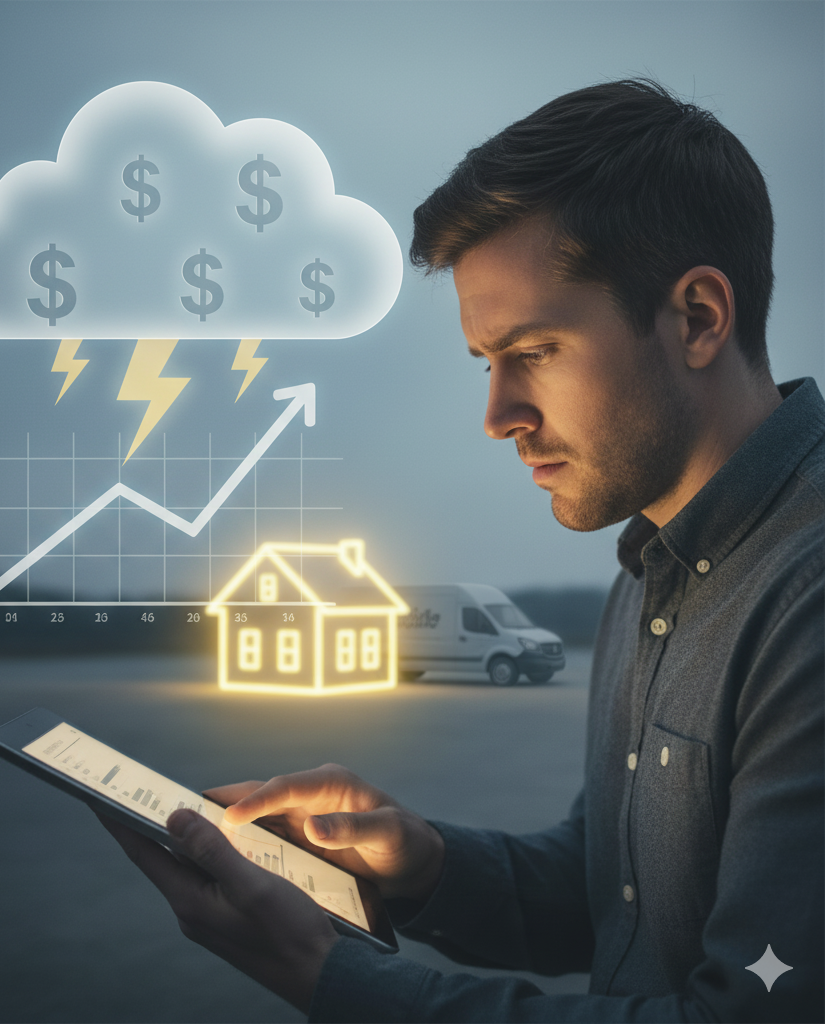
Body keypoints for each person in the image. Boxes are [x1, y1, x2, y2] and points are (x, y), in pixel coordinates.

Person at [98, 80, 824, 1022]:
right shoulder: (652, 563)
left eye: (537, 349)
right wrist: (421, 863)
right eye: (487, 361)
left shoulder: (806, 593)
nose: (497, 416)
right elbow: (618, 891)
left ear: (696, 318)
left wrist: (335, 978)